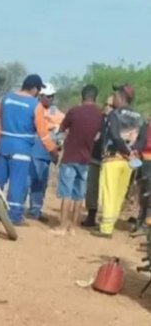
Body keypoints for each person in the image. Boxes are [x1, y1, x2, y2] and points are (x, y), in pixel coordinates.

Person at [0, 74, 59, 225]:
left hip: (4, 144)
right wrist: (53, 151)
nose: (38, 94)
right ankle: (14, 216)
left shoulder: (6, 98)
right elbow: (43, 133)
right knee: (17, 182)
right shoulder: (35, 105)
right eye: (38, 91)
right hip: (22, 148)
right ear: (34, 89)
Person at [92, 84, 144, 238]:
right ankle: (109, 224)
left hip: (113, 158)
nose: (113, 98)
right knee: (119, 194)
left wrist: (126, 150)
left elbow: (115, 136)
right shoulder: (139, 117)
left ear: (121, 97)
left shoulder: (114, 114)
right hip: (129, 162)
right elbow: (142, 139)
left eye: (115, 95)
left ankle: (106, 228)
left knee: (108, 192)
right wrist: (133, 152)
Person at [52, 84, 103, 235]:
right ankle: (73, 227)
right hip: (86, 159)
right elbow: (98, 136)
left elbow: (61, 130)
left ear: (82, 96)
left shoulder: (74, 112)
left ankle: (62, 226)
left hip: (70, 157)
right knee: (79, 195)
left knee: (66, 193)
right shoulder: (99, 115)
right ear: (95, 97)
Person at [27, 83, 64, 222]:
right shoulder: (34, 108)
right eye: (48, 96)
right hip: (33, 150)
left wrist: (58, 144)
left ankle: (35, 210)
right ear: (41, 96)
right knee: (28, 180)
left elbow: (63, 129)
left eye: (52, 96)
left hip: (47, 153)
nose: (50, 99)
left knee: (41, 182)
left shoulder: (57, 113)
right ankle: (17, 207)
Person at [81, 95, 115, 227]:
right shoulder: (98, 118)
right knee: (92, 188)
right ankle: (91, 215)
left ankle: (107, 220)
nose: (107, 107)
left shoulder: (118, 120)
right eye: (106, 104)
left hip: (110, 159)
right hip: (95, 157)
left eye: (111, 105)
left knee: (107, 190)